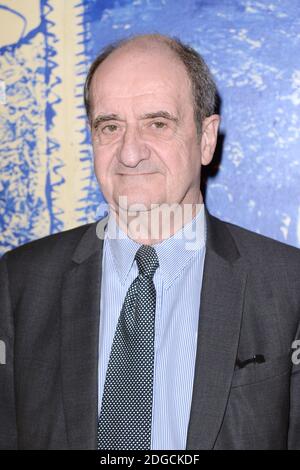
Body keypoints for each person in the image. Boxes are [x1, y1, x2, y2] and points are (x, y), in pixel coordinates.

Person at [0, 33, 300, 450]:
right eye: (110, 126)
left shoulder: (289, 287)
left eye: (157, 123)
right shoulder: (19, 284)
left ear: (206, 138)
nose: (129, 152)